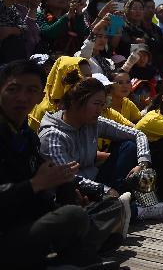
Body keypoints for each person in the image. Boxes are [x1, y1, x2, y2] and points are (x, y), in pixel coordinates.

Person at [0, 58, 128, 269]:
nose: (22, 97)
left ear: (40, 96)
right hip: (6, 234)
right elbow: (34, 186)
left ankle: (76, 253)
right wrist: (36, 185)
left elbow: (50, 182)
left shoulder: (27, 136)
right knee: (74, 217)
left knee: (105, 206)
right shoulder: (47, 133)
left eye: (31, 90)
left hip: (31, 220)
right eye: (13, 89)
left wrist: (65, 195)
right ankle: (80, 253)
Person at [38, 77, 163, 220]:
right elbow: (67, 176)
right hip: (70, 190)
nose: (100, 110)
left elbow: (138, 134)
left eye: (102, 104)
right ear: (75, 102)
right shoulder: (53, 135)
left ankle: (125, 204)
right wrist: (105, 190)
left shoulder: (93, 122)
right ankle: (136, 211)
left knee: (129, 146)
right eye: (96, 104)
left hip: (96, 181)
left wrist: (143, 163)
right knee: (73, 195)